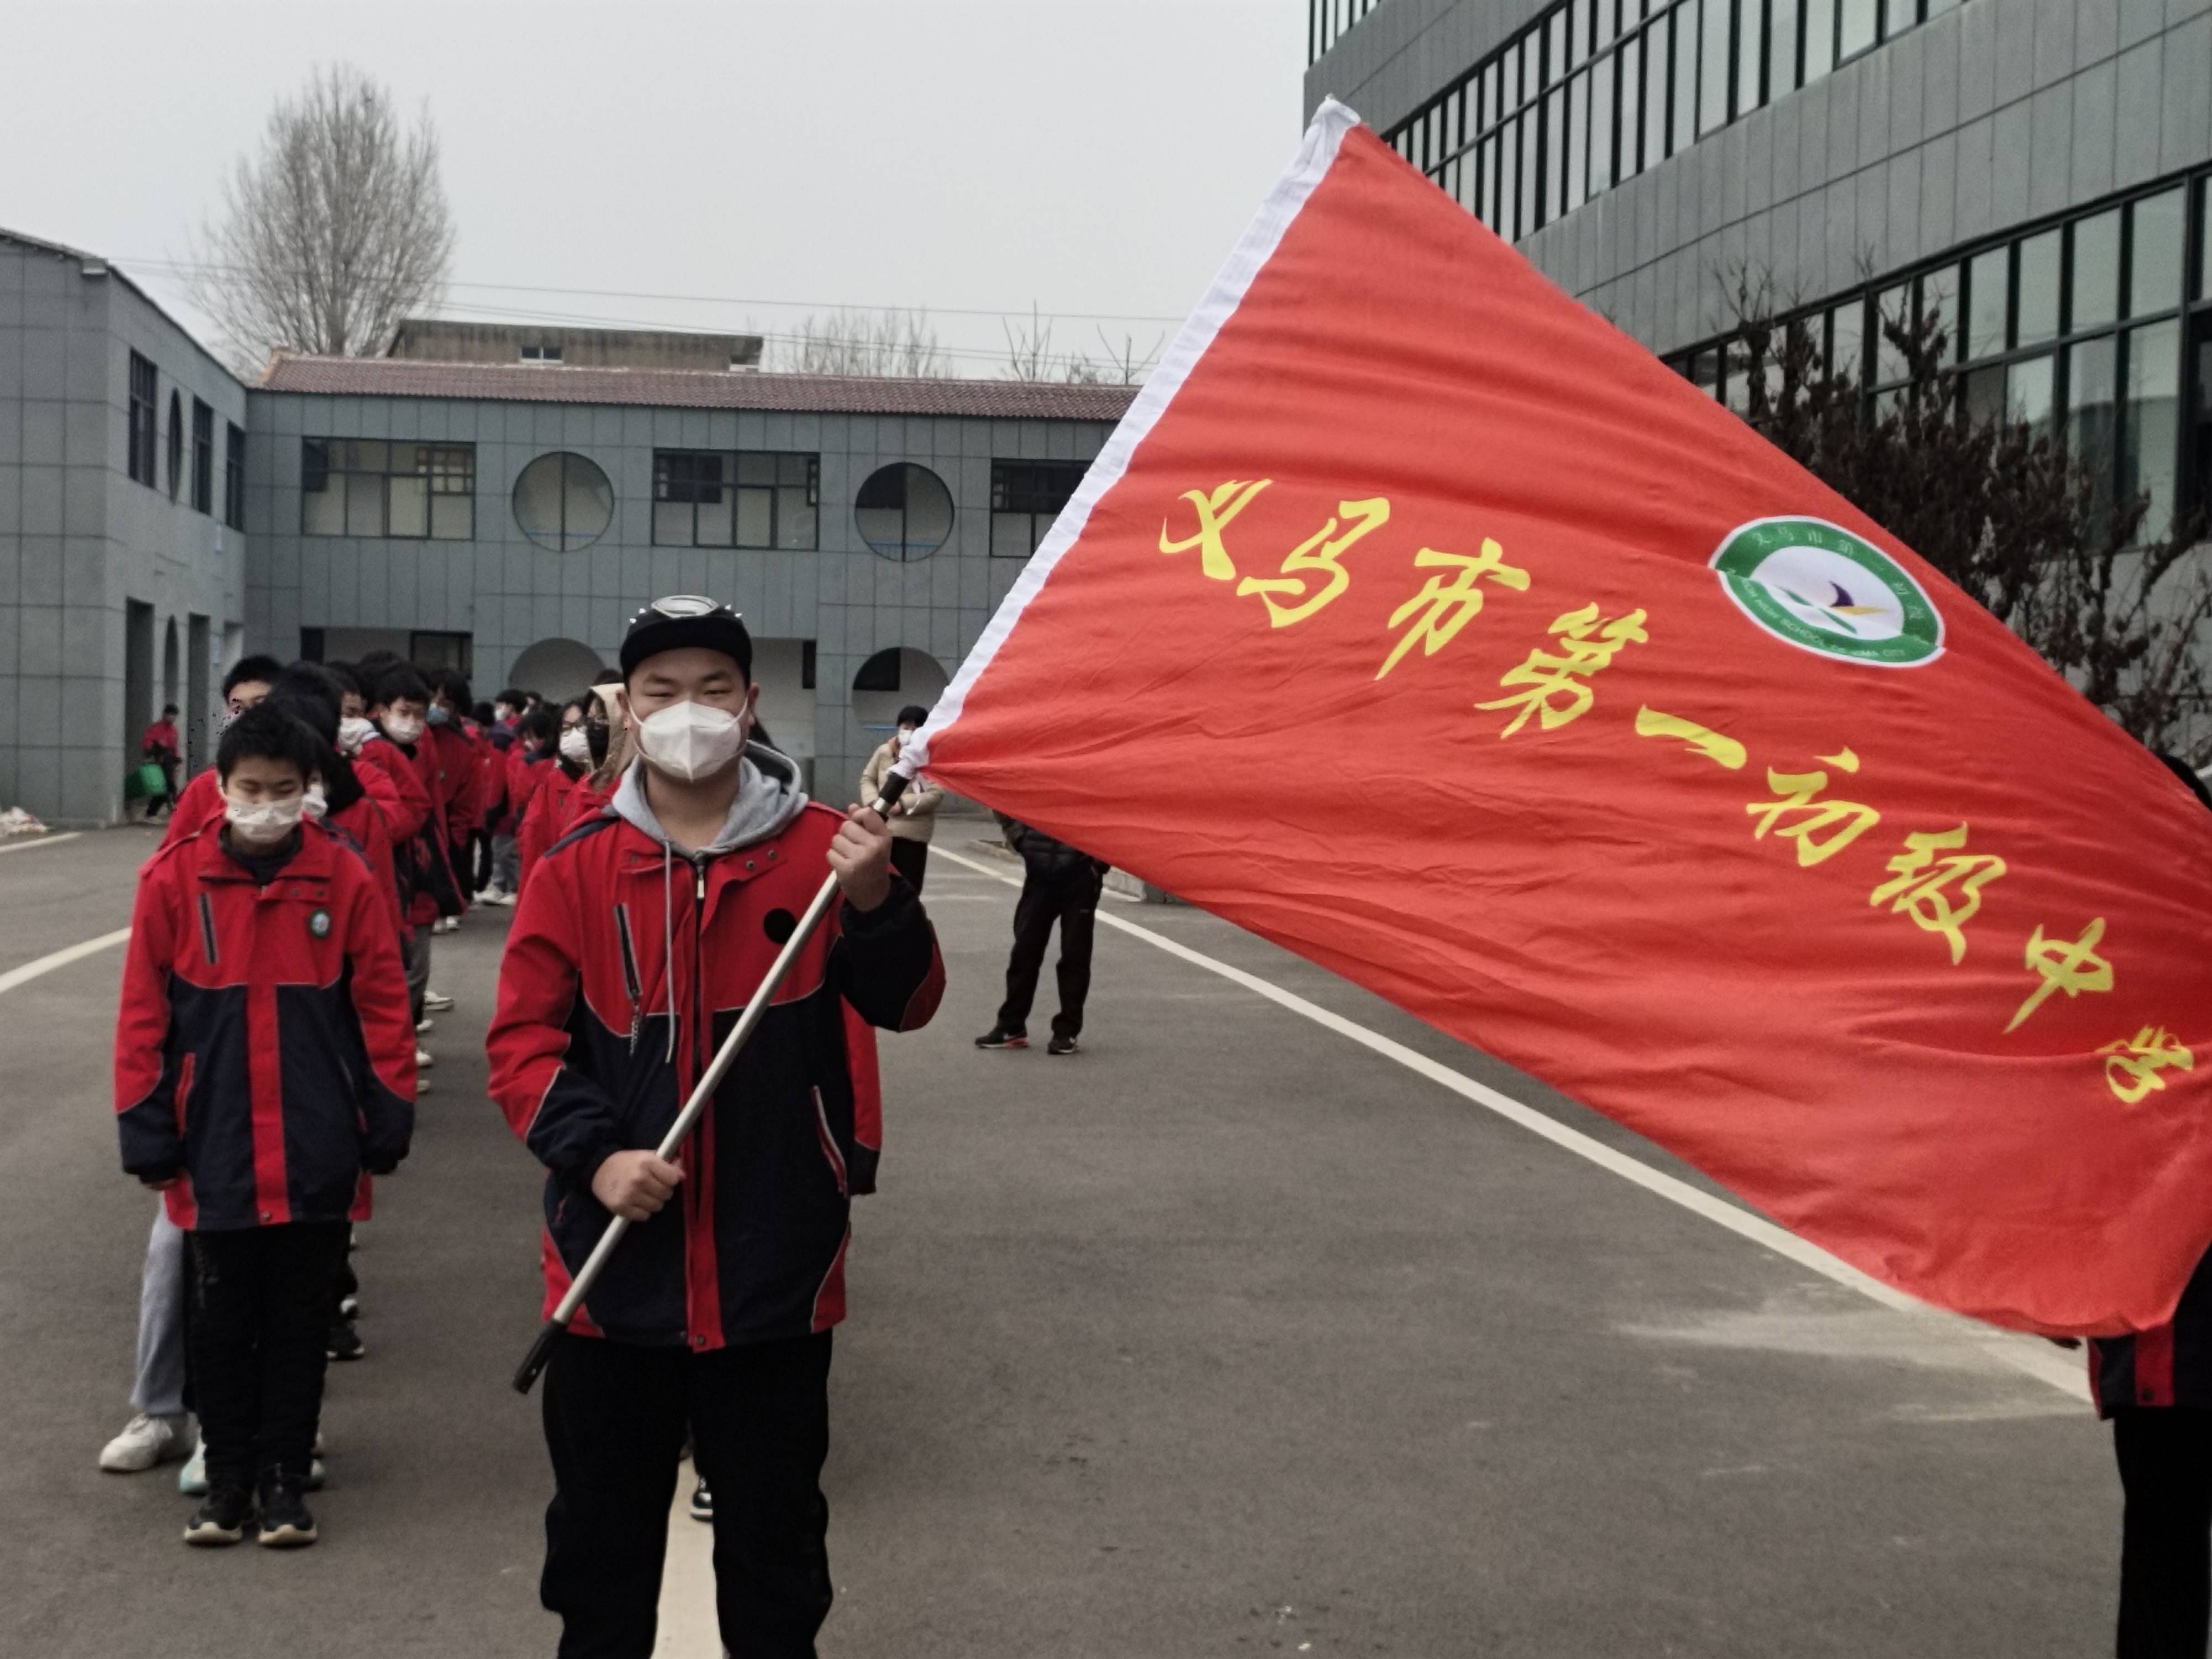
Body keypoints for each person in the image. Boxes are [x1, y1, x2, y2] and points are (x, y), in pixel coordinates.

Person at [487, 596, 943, 1658]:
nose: (687, 710)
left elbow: (909, 1004)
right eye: (661, 691)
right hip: (610, 1286)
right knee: (598, 1573)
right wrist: (596, 1160)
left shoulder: (831, 852)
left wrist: (880, 901)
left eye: (712, 688)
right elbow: (521, 1047)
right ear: (627, 711)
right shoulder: (577, 867)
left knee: (778, 1568)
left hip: (775, 1277)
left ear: (750, 704)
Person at [113, 703, 415, 1547]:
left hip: (318, 1138)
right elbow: (142, 1015)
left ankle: (285, 1480)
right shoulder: (171, 880)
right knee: (219, 1320)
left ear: (310, 788)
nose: (269, 804)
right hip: (213, 1142)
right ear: (219, 787)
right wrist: (145, 1124)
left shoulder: (344, 878)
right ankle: (228, 1479)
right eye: (251, 788)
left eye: (287, 790)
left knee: (299, 1320)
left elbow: (383, 1004)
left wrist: (387, 1112)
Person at [974, 817, 1109, 1057]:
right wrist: (1020, 838)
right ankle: (1011, 1026)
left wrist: (1100, 860)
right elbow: (1003, 798)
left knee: (1074, 956)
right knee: (1025, 952)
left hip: (1082, 875)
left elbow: (1115, 809)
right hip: (1039, 873)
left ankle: (1066, 1032)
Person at [858, 705, 942, 894]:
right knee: (878, 890)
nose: (909, 732)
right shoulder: (884, 751)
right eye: (906, 726)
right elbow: (868, 779)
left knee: (907, 891)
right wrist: (874, 803)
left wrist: (903, 804)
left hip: (912, 835)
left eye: (916, 728)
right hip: (880, 831)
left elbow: (936, 793)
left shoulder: (931, 756)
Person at [142, 703, 182, 813]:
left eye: (174, 716)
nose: (172, 718)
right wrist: (151, 750)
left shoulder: (173, 730)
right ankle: (153, 813)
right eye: (171, 715)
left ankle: (168, 811)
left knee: (169, 788)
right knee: (165, 789)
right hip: (159, 763)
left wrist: (177, 759)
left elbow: (174, 746)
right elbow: (148, 742)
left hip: (169, 763)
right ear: (165, 715)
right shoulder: (156, 729)